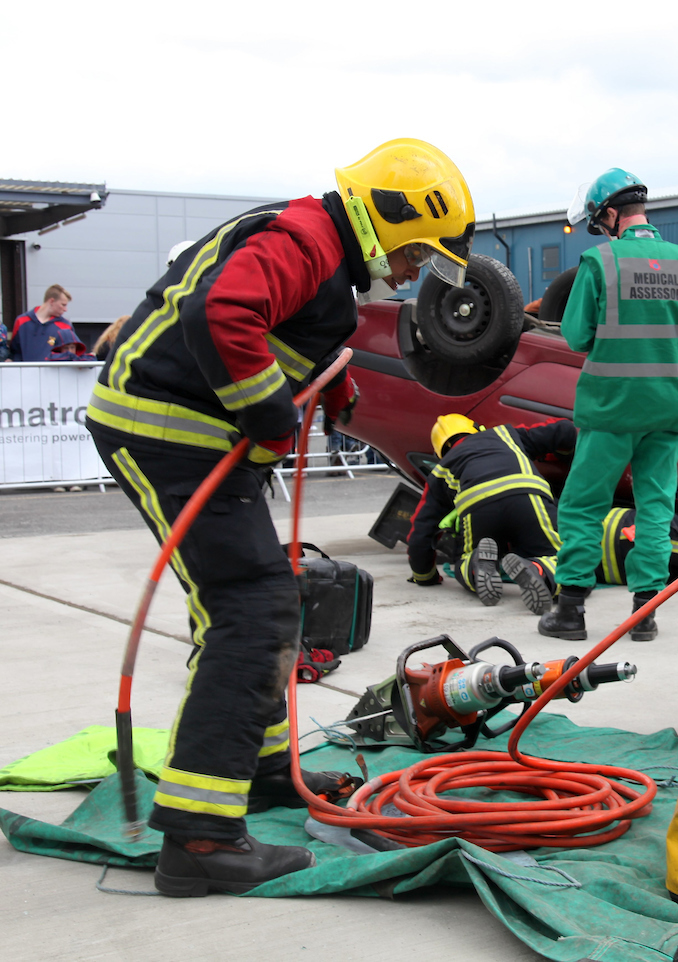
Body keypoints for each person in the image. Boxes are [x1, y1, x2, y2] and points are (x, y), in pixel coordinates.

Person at [84, 138, 476, 897]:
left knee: (265, 604)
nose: (412, 272)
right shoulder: (304, 240)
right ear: (388, 219)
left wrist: (330, 386)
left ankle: (257, 769)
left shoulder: (319, 251)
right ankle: (199, 837)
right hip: (167, 433)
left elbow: (279, 328)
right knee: (252, 611)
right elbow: (223, 313)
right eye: (416, 253)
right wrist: (268, 413)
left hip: (193, 441)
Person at [538, 168, 678, 642]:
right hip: (671, 405)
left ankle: (570, 611)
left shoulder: (601, 263)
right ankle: (645, 616)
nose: (600, 230)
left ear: (612, 214)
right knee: (655, 506)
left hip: (612, 405)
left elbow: (575, 336)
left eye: (600, 222)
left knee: (582, 505)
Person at [407, 414, 575, 614]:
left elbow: (421, 532)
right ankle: (537, 570)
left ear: (440, 453)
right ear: (477, 428)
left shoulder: (441, 470)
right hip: (526, 499)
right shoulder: (506, 434)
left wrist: (424, 575)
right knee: (563, 560)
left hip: (478, 512)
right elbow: (565, 430)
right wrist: (562, 453)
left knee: (463, 559)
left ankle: (475, 565)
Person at [10, 285, 80, 362]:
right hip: (26, 372)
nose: (65, 309)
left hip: (54, 373)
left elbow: (72, 354)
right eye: (63, 305)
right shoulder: (21, 321)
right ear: (51, 301)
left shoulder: (65, 325)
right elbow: (14, 351)